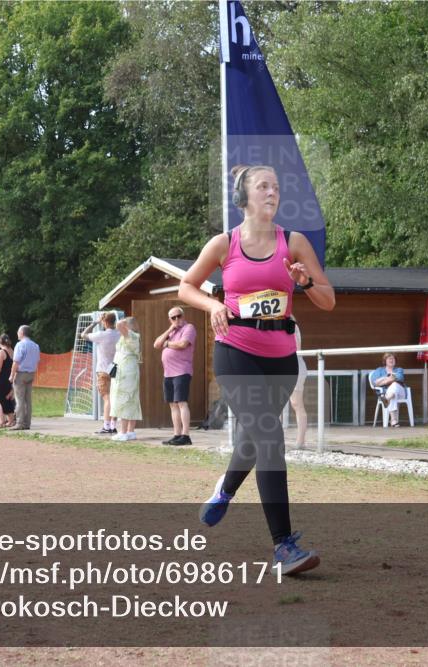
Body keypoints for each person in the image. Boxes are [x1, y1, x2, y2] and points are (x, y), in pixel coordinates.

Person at [178, 164, 335, 576]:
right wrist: (214, 305)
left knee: (254, 437)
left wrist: (303, 284)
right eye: (263, 186)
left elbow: (328, 299)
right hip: (236, 353)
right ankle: (283, 547)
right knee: (269, 437)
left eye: (276, 186)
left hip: (281, 359)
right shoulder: (224, 244)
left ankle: (224, 490)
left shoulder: (294, 242)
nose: (272, 192)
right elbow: (186, 287)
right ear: (243, 197)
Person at [153, 306, 196, 446]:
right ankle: (177, 434)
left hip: (182, 371)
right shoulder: (171, 331)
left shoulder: (189, 328)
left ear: (183, 316)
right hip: (168, 373)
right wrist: (170, 329)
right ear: (170, 319)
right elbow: (156, 344)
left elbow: (183, 344)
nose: (177, 319)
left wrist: (167, 344)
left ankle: (186, 435)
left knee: (182, 403)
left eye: (179, 316)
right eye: (173, 317)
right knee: (173, 405)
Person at [82, 312, 120, 434]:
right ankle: (113, 425)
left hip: (103, 370)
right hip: (116, 368)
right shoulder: (119, 334)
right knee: (114, 398)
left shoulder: (101, 334)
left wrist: (95, 323)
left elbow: (83, 334)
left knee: (107, 398)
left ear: (104, 322)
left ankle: (106, 426)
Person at [110, 317, 142, 441]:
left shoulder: (131, 334)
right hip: (127, 370)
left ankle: (123, 432)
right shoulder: (133, 336)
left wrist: (122, 321)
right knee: (132, 399)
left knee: (124, 398)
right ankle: (130, 431)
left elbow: (118, 325)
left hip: (126, 372)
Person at [10, 324, 40, 430]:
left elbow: (16, 362)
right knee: (28, 400)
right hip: (31, 374)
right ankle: (27, 423)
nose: (17, 334)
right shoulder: (36, 345)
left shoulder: (20, 345)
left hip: (21, 374)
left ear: (22, 333)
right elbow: (37, 361)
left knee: (19, 400)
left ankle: (19, 423)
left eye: (18, 332)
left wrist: (11, 375)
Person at [371, 352, 406, 427]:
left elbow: (399, 378)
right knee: (392, 394)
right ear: (385, 361)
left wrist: (383, 381)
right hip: (389, 393)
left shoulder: (399, 369)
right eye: (389, 358)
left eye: (393, 358)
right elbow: (374, 382)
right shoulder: (379, 370)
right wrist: (388, 377)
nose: (391, 360)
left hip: (401, 392)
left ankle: (386, 399)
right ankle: (394, 421)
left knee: (394, 385)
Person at [289, 320, 308, 449]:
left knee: (296, 403)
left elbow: (297, 347)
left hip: (294, 365)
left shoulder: (291, 324)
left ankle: (300, 442)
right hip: (283, 365)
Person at [0, 333, 16, 428]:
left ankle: (2, 422)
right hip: (8, 379)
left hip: (0, 380)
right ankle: (10, 421)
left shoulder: (1, 352)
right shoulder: (12, 351)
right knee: (7, 399)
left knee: (0, 400)